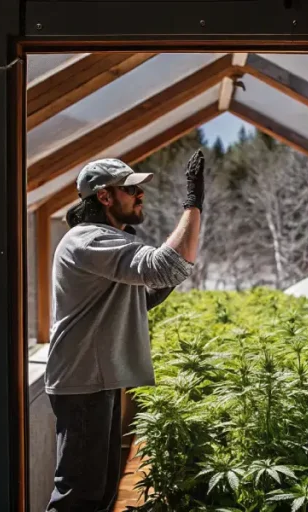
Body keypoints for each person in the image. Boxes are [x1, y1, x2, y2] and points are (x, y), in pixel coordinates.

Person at [44, 150, 205, 512]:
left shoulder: (105, 239)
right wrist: (193, 204)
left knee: (97, 494)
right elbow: (163, 266)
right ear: (104, 196)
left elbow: (141, 297)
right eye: (131, 189)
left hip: (94, 378)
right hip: (84, 380)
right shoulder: (89, 239)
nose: (140, 195)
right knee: (78, 496)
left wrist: (171, 271)